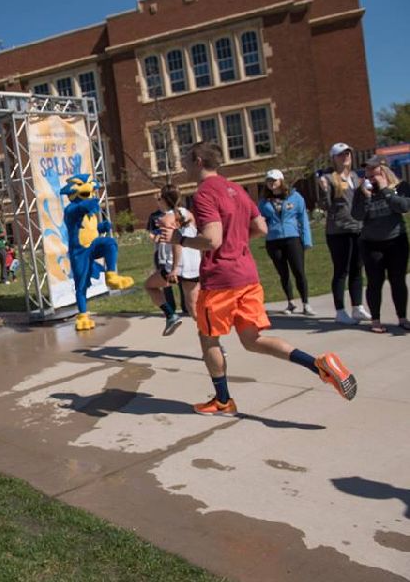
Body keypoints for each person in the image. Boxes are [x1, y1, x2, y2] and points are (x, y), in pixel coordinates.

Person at [158, 142, 357, 416]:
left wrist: (179, 238)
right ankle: (318, 364)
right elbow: (261, 226)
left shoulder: (204, 193)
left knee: (208, 337)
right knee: (253, 340)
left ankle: (223, 400)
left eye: (186, 159)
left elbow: (213, 240)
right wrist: (236, 239)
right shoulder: (237, 189)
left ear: (199, 160)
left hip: (220, 281)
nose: (183, 165)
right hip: (247, 276)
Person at [351, 156, 410, 333]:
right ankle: (375, 320)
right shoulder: (362, 192)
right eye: (367, 172)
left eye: (374, 171)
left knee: (398, 280)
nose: (370, 176)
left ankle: (402, 317)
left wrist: (385, 190)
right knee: (374, 282)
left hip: (396, 240)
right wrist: (366, 196)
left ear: (384, 171)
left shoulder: (400, 187)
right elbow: (358, 215)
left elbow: (403, 207)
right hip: (371, 243)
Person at [317, 143, 371, 325]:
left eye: (347, 153)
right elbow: (326, 206)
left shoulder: (355, 177)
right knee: (341, 271)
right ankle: (340, 311)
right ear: (334, 158)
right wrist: (324, 191)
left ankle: (357, 307)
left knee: (357, 268)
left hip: (357, 228)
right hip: (338, 231)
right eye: (341, 154)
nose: (345, 157)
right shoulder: (329, 178)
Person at [145, 185, 201, 336]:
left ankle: (171, 315)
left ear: (164, 200)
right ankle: (214, 341)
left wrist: (175, 269)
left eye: (159, 198)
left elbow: (177, 243)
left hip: (176, 266)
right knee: (194, 309)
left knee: (149, 286)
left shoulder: (165, 219)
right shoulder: (188, 214)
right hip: (193, 265)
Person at [259, 169, 314, 315]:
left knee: (299, 271)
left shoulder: (295, 197)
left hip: (292, 238)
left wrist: (306, 240)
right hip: (273, 240)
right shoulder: (264, 202)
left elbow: (303, 219)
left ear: (281, 181)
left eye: (274, 180)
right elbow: (260, 220)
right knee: (283, 273)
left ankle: (306, 303)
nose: (272, 184)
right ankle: (290, 302)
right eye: (269, 181)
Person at [146, 194, 180, 314]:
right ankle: (171, 308)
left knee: (179, 277)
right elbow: (151, 234)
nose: (159, 201)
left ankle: (186, 306)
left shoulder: (176, 214)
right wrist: (156, 237)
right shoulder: (154, 216)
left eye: (161, 198)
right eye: (157, 199)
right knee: (165, 280)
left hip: (174, 250)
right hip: (161, 252)